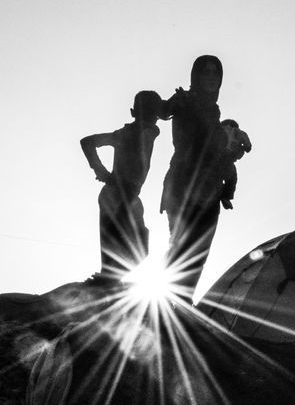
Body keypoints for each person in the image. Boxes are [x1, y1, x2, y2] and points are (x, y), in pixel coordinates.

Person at [160, 55, 235, 300]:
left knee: (199, 253)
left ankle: (182, 304)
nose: (212, 77)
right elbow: (163, 111)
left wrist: (232, 145)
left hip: (210, 189)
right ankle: (162, 305)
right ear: (196, 76)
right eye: (206, 72)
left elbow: (215, 148)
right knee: (180, 247)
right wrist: (174, 101)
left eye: (216, 73)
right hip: (183, 183)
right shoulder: (186, 100)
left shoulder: (214, 110)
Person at [80, 90, 165, 282]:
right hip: (119, 193)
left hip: (126, 194)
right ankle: (108, 278)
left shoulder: (132, 132)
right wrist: (100, 170)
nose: (153, 120)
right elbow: (86, 142)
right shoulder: (133, 133)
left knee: (136, 246)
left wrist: (100, 170)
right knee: (123, 246)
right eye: (149, 113)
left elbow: (87, 142)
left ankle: (110, 277)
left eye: (154, 114)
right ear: (134, 113)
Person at [217, 119, 253, 210]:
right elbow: (245, 140)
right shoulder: (236, 131)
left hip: (214, 155)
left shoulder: (217, 129)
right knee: (232, 178)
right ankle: (226, 196)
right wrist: (248, 147)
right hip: (227, 157)